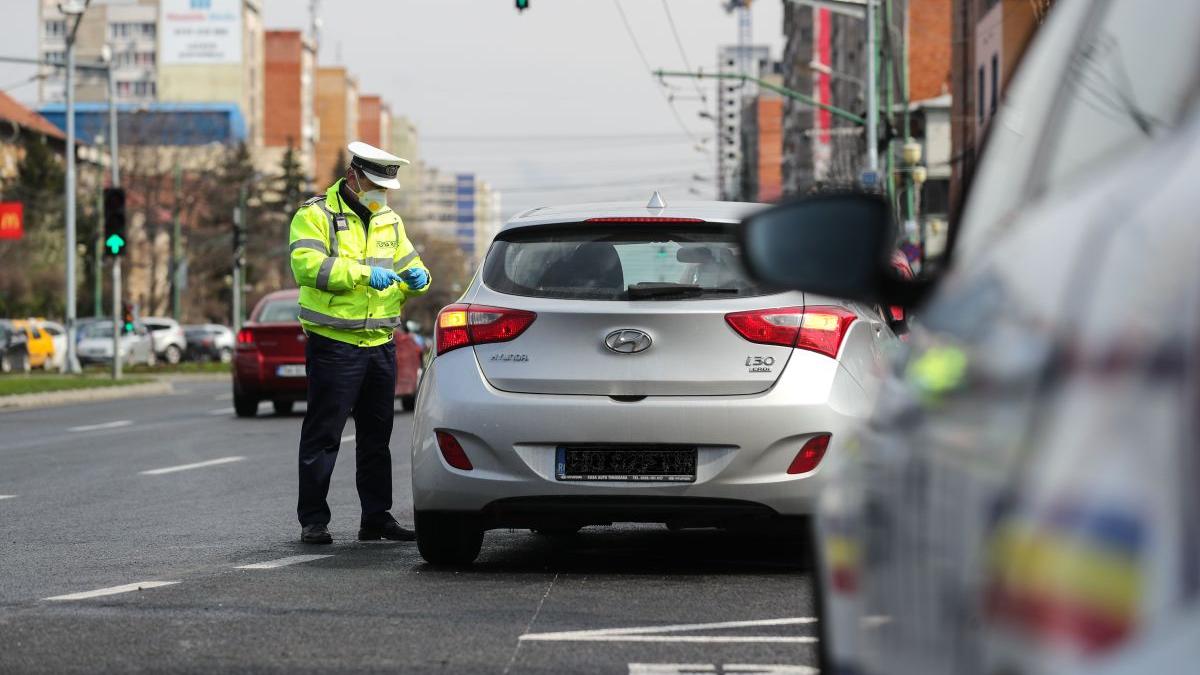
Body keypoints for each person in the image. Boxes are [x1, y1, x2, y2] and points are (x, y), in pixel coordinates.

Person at [288, 141, 431, 545]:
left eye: (384, 189)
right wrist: (363, 274)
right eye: (374, 185)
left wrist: (422, 277)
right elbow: (307, 266)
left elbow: (409, 264)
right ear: (352, 177)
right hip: (335, 342)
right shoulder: (314, 215)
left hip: (381, 342)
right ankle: (313, 519)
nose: (380, 195)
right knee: (324, 434)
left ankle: (376, 517)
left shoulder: (389, 221)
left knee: (376, 436)